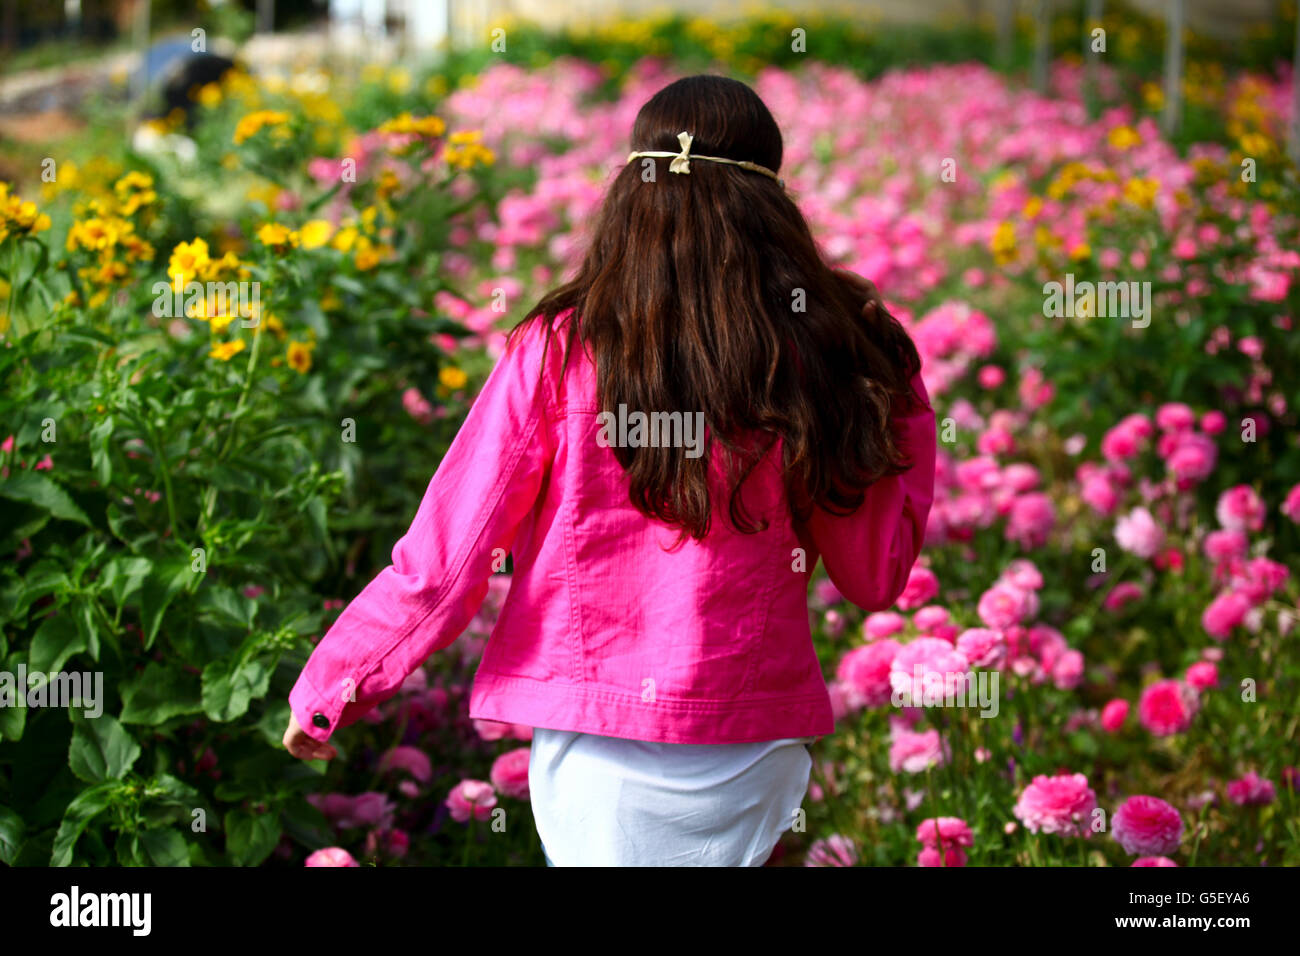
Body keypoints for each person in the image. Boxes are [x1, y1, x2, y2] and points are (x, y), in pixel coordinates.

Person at [283, 74, 937, 866]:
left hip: (598, 760)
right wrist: (884, 377)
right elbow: (875, 574)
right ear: (774, 202)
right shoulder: (820, 350)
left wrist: (338, 683)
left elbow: (448, 555)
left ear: (632, 189)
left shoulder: (560, 348)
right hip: (753, 748)